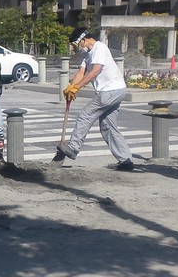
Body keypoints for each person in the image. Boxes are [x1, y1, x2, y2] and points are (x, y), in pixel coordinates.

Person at [57, 27, 134, 171]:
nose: (76, 49)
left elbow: (95, 71)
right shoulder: (88, 55)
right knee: (108, 126)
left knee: (85, 115)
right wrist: (71, 86)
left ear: (83, 40)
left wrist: (78, 87)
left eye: (75, 45)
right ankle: (126, 160)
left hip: (111, 90)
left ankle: (73, 148)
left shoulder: (100, 48)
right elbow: (81, 72)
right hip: (114, 91)